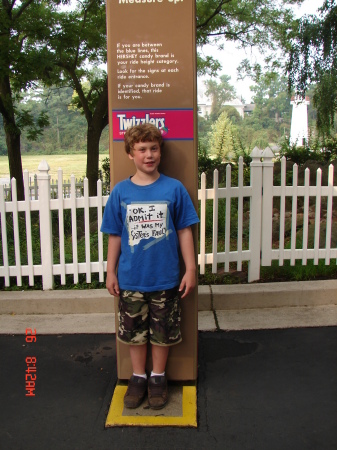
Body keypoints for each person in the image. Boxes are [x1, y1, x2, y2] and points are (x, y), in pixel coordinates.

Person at [100, 123, 199, 410]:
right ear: (130, 154)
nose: (149, 154)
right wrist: (110, 271)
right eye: (142, 149)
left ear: (160, 151)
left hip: (166, 278)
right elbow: (115, 235)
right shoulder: (121, 192)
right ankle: (137, 377)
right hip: (131, 279)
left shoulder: (174, 189)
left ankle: (158, 378)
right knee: (134, 333)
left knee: (162, 333)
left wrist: (190, 269)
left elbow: (184, 231)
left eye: (153, 148)